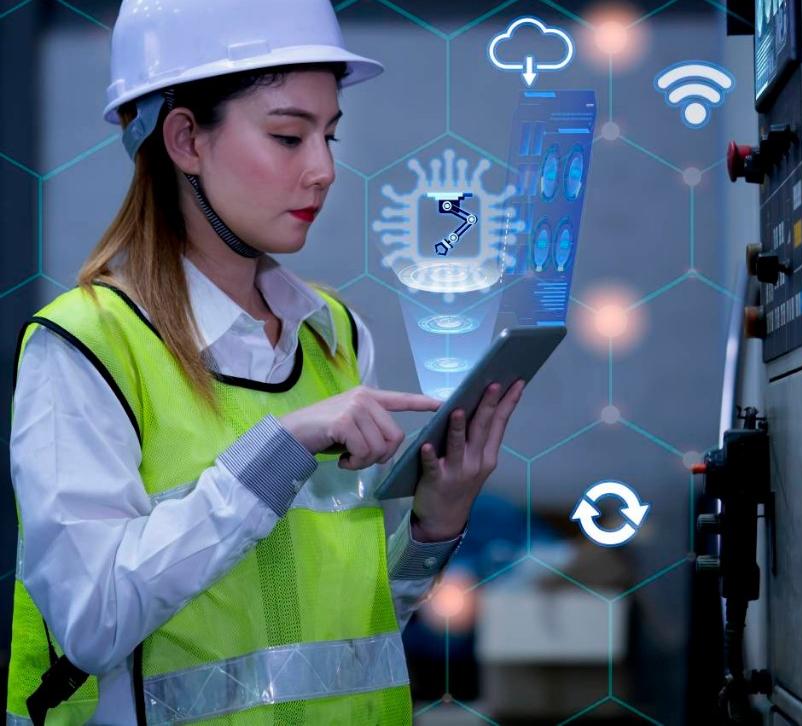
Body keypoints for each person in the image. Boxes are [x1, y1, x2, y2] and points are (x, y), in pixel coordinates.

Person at [5, 0, 525, 723]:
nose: (323, 170)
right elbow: (90, 623)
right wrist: (278, 450)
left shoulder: (332, 335)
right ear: (185, 138)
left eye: (330, 135)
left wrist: (436, 526)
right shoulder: (85, 347)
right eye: (288, 136)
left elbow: (356, 626)